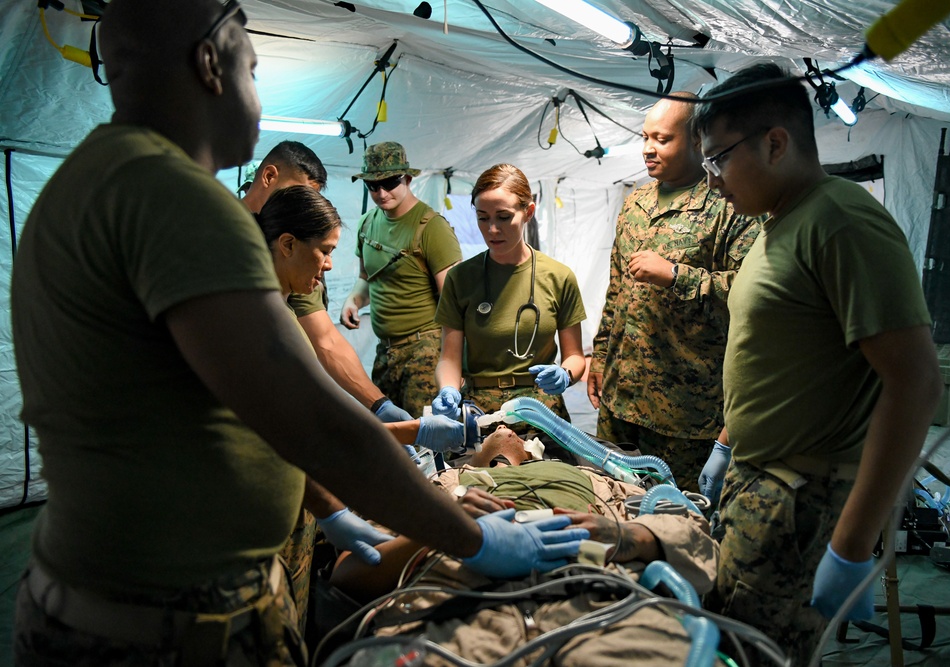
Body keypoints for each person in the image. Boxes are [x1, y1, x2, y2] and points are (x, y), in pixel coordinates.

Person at [9, 1, 586, 664]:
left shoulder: (89, 183)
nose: (256, 94)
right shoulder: (176, 198)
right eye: (251, 68)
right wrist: (470, 538)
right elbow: (307, 416)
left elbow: (238, 406)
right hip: (168, 621)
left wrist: (328, 501)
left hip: (107, 595)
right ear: (209, 62)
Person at [690, 63, 942, 664]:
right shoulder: (780, 223)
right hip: (760, 483)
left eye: (718, 158)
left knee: (758, 654)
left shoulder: (841, 219)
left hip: (798, 501)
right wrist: (730, 441)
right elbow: (778, 354)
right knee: (730, 641)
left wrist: (852, 543)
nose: (712, 179)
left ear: (775, 143)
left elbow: (915, 382)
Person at [317, 424, 721, 667]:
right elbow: (349, 575)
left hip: (597, 604)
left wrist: (628, 536)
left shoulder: (594, 479)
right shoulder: (436, 491)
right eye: (497, 431)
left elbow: (697, 540)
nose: (509, 431)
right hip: (451, 615)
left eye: (521, 435)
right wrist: (449, 528)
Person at [252, 184, 466, 635]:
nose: (330, 265)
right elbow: (307, 435)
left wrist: (394, 421)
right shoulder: (262, 319)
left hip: (294, 493)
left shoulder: (279, 309)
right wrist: (409, 431)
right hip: (274, 503)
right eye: (324, 251)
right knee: (276, 623)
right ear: (287, 244)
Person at [588, 93, 760, 494]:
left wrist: (677, 275)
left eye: (662, 139)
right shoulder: (635, 202)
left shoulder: (728, 205)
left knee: (679, 519)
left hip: (685, 412)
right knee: (614, 506)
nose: (648, 148)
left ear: (697, 141)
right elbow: (617, 290)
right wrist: (599, 357)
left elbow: (750, 292)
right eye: (645, 137)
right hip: (620, 398)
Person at [242, 140, 412, 423]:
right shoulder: (222, 238)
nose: (305, 208)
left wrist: (379, 405)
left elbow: (325, 339)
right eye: (297, 194)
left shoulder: (297, 260)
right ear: (269, 177)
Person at [432, 164, 587, 429]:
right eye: (483, 217)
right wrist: (447, 388)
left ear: (528, 212)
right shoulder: (461, 279)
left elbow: (576, 356)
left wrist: (565, 373)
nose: (492, 229)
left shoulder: (558, 277)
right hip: (480, 412)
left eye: (503, 217)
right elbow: (449, 357)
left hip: (541, 409)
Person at [339, 141, 461, 418]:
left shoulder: (432, 228)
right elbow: (366, 276)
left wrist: (454, 363)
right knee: (388, 435)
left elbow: (454, 301)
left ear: (407, 179)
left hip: (426, 351)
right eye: (372, 185)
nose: (381, 193)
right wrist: (354, 300)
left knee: (427, 436)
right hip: (386, 353)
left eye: (390, 183)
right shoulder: (367, 223)